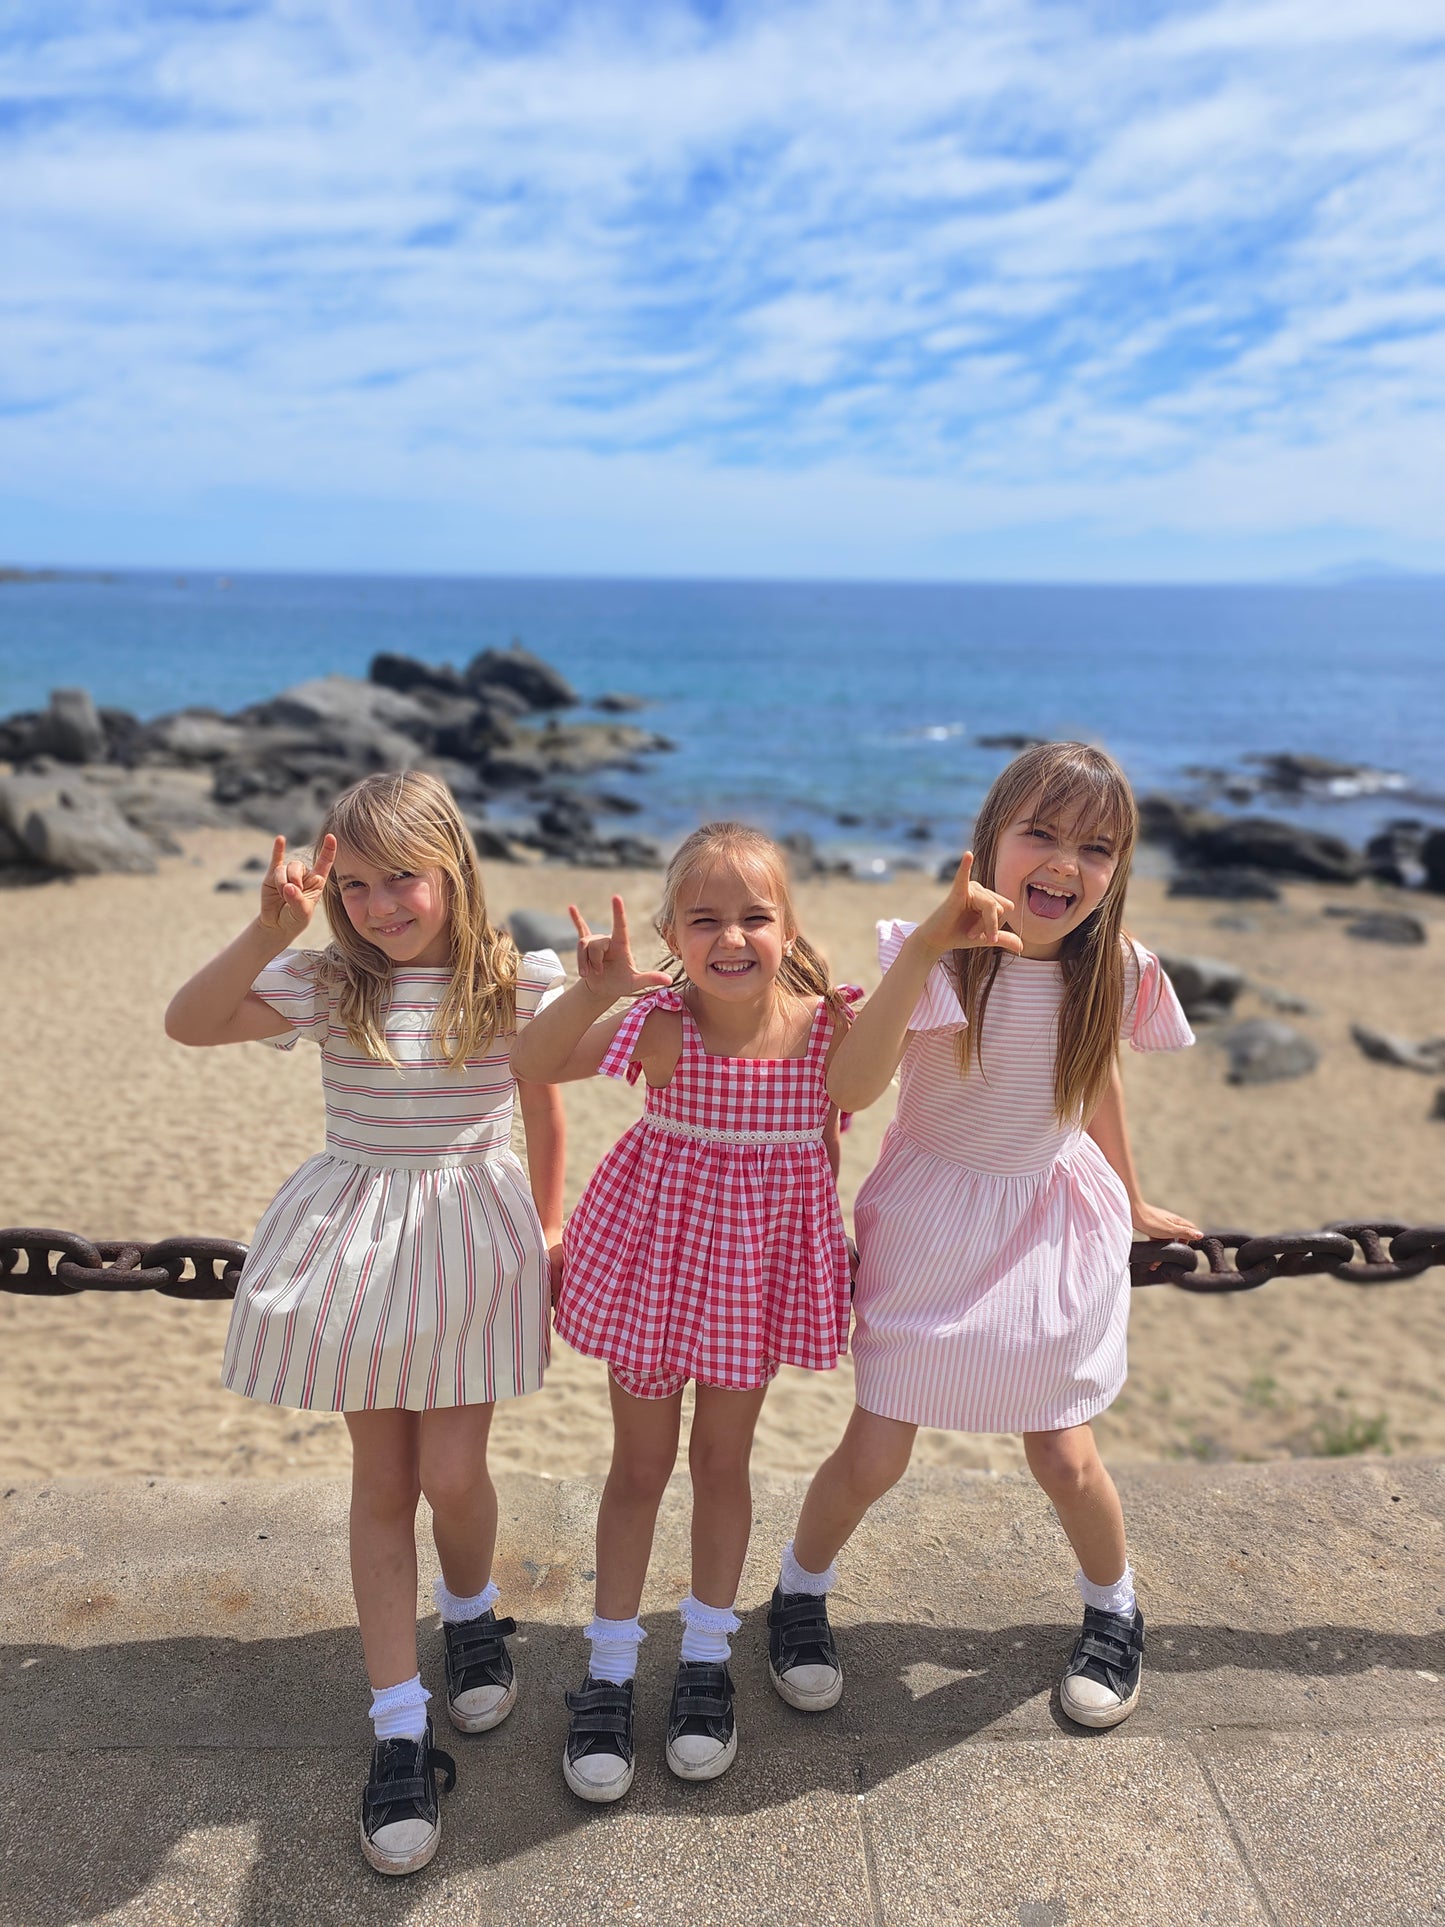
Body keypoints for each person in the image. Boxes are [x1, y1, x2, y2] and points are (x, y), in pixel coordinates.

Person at [165, 770, 565, 1877]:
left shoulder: (505, 978)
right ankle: (398, 1723)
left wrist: (548, 1219)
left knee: (452, 1471)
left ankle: (473, 1609)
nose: (384, 903)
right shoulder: (326, 980)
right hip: (358, 1239)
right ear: (332, 890)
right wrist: (263, 932)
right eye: (359, 884)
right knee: (382, 1484)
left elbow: (545, 1088)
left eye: (405, 879)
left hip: (470, 1237)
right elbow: (187, 1022)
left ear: (453, 871)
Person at [768, 741, 1200, 1734]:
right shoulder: (931, 952)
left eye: (1092, 847)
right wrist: (924, 947)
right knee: (874, 1450)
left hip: (1046, 1220)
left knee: (1062, 1454)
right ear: (989, 842)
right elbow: (850, 1087)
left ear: (1117, 867)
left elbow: (1095, 1081)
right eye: (1038, 834)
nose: (1061, 864)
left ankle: (1112, 1605)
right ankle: (797, 1589)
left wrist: (1131, 1200)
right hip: (928, 1222)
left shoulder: (1116, 971)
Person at [511, 823, 858, 1802]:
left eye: (754, 915)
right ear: (672, 930)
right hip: (655, 1269)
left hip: (751, 1280)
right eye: (704, 919)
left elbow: (837, 1138)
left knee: (722, 1463)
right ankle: (610, 1670)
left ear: (787, 925)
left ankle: (705, 1659)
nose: (732, 936)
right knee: (638, 1467)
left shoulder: (826, 1025)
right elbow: (535, 1059)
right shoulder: (660, 1020)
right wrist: (596, 985)